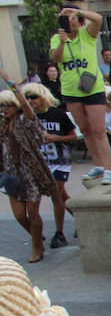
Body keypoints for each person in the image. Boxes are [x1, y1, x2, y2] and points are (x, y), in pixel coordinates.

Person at [50, 7, 111, 186]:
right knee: (85, 130)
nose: (69, 21)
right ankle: (98, 165)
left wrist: (77, 10)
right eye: (66, 19)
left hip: (92, 88)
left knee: (99, 130)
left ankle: (109, 170)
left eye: (73, 18)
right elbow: (56, 58)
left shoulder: (87, 34)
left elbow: (98, 18)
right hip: (71, 90)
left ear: (79, 20)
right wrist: (63, 42)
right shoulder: (57, 38)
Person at [0, 73, 58, 264]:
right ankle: (37, 237)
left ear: (15, 106)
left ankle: (37, 248)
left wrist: (9, 81)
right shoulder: (2, 124)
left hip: (31, 173)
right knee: (18, 215)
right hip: (11, 174)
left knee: (33, 213)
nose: (4, 109)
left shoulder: (26, 120)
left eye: (7, 105)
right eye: (1, 106)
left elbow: (26, 105)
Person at [31, 84, 77, 250]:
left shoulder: (58, 114)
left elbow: (74, 137)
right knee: (63, 195)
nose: (31, 101)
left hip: (60, 161)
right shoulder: (30, 117)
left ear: (43, 96)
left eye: (34, 97)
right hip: (43, 163)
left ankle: (59, 233)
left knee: (55, 195)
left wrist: (55, 138)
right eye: (28, 98)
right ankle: (80, 219)